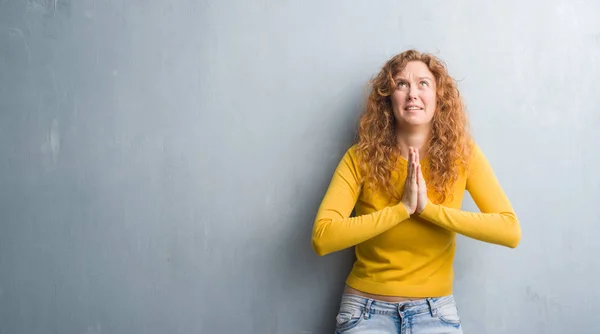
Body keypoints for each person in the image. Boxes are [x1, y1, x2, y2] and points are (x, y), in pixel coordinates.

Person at [311, 49, 521, 334]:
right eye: (401, 84)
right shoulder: (359, 158)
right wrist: (401, 210)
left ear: (439, 98)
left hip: (436, 313)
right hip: (364, 311)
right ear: (388, 98)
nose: (412, 93)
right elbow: (323, 237)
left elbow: (509, 230)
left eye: (423, 83)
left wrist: (428, 210)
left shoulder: (464, 156)